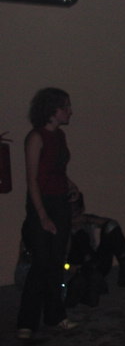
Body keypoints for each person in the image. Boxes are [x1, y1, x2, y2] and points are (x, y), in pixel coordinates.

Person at [17, 88, 80, 340]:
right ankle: (26, 322)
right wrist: (42, 215)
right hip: (41, 203)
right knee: (41, 263)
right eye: (66, 107)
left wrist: (71, 186)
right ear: (53, 110)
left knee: (56, 262)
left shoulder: (60, 136)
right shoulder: (36, 137)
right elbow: (33, 179)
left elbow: (57, 170)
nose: (70, 111)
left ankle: (56, 315)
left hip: (60, 202)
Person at [65, 192, 125, 307]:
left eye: (76, 209)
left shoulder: (86, 220)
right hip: (76, 269)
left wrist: (86, 219)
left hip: (95, 264)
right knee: (80, 236)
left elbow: (111, 224)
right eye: (70, 209)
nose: (74, 213)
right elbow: (58, 262)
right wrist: (69, 267)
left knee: (111, 227)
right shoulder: (59, 227)